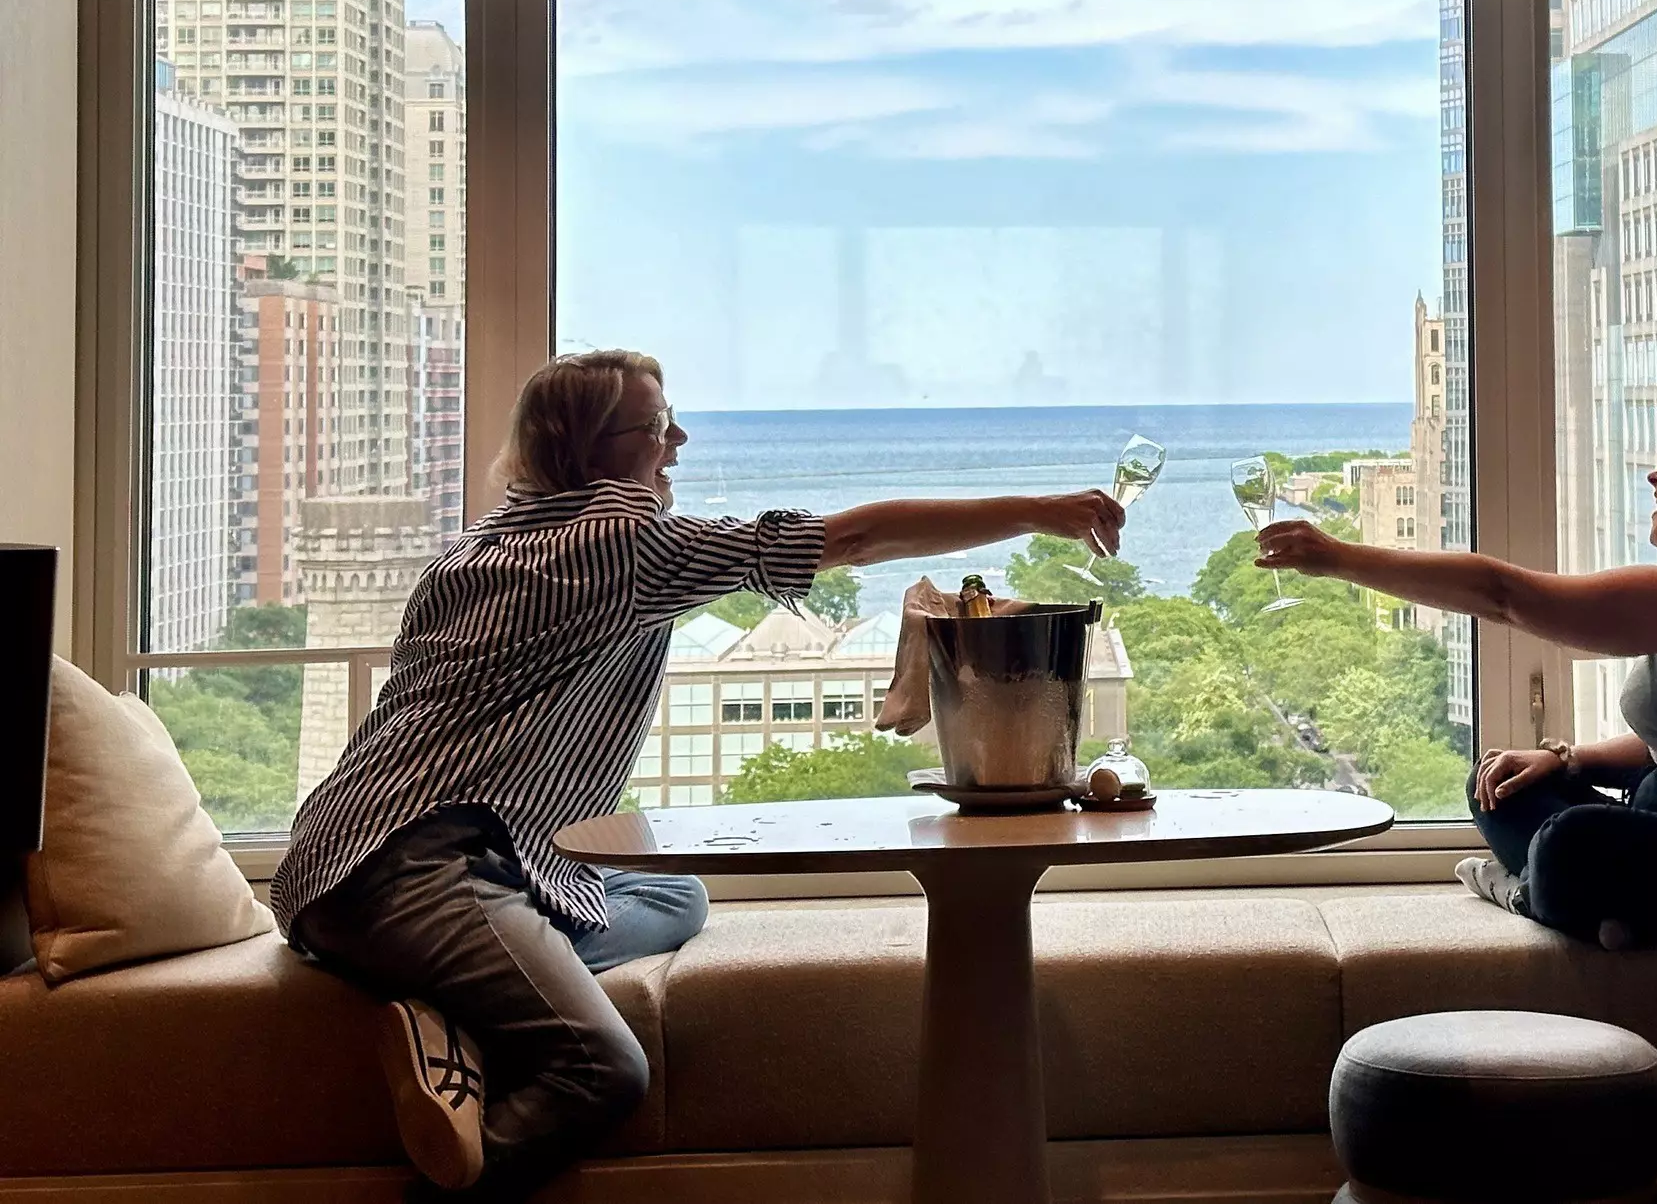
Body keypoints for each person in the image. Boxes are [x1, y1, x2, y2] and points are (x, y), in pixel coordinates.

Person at [272, 350, 1122, 1197]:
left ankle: (458, 1000)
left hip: (324, 867)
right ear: (590, 449)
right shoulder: (623, 541)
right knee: (603, 1071)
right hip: (430, 868)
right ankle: (466, 1150)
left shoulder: (474, 548)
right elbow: (854, 539)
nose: (676, 440)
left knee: (676, 895)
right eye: (655, 425)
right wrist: (1040, 510)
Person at [1256, 410, 1657, 951]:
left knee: (1574, 842)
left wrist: (1339, 558)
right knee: (1502, 781)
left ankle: (1527, 894)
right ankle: (1612, 914)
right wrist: (1567, 761)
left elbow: (1503, 595)